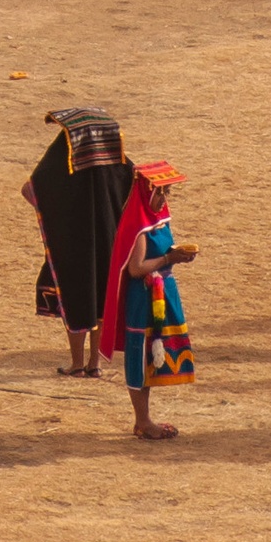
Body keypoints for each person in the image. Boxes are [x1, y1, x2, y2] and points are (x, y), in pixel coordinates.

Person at [26, 107, 136, 376]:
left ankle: (77, 363)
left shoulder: (63, 156)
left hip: (72, 242)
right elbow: (135, 188)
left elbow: (31, 189)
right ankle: (95, 364)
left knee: (75, 297)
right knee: (102, 297)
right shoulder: (117, 159)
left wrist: (59, 216)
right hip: (110, 240)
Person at [102, 160, 194, 437]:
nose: (164, 198)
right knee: (140, 357)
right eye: (160, 191)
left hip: (162, 292)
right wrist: (169, 258)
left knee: (150, 359)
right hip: (142, 300)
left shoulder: (158, 217)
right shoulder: (138, 224)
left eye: (167, 192)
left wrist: (177, 258)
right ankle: (142, 421)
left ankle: (144, 419)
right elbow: (136, 268)